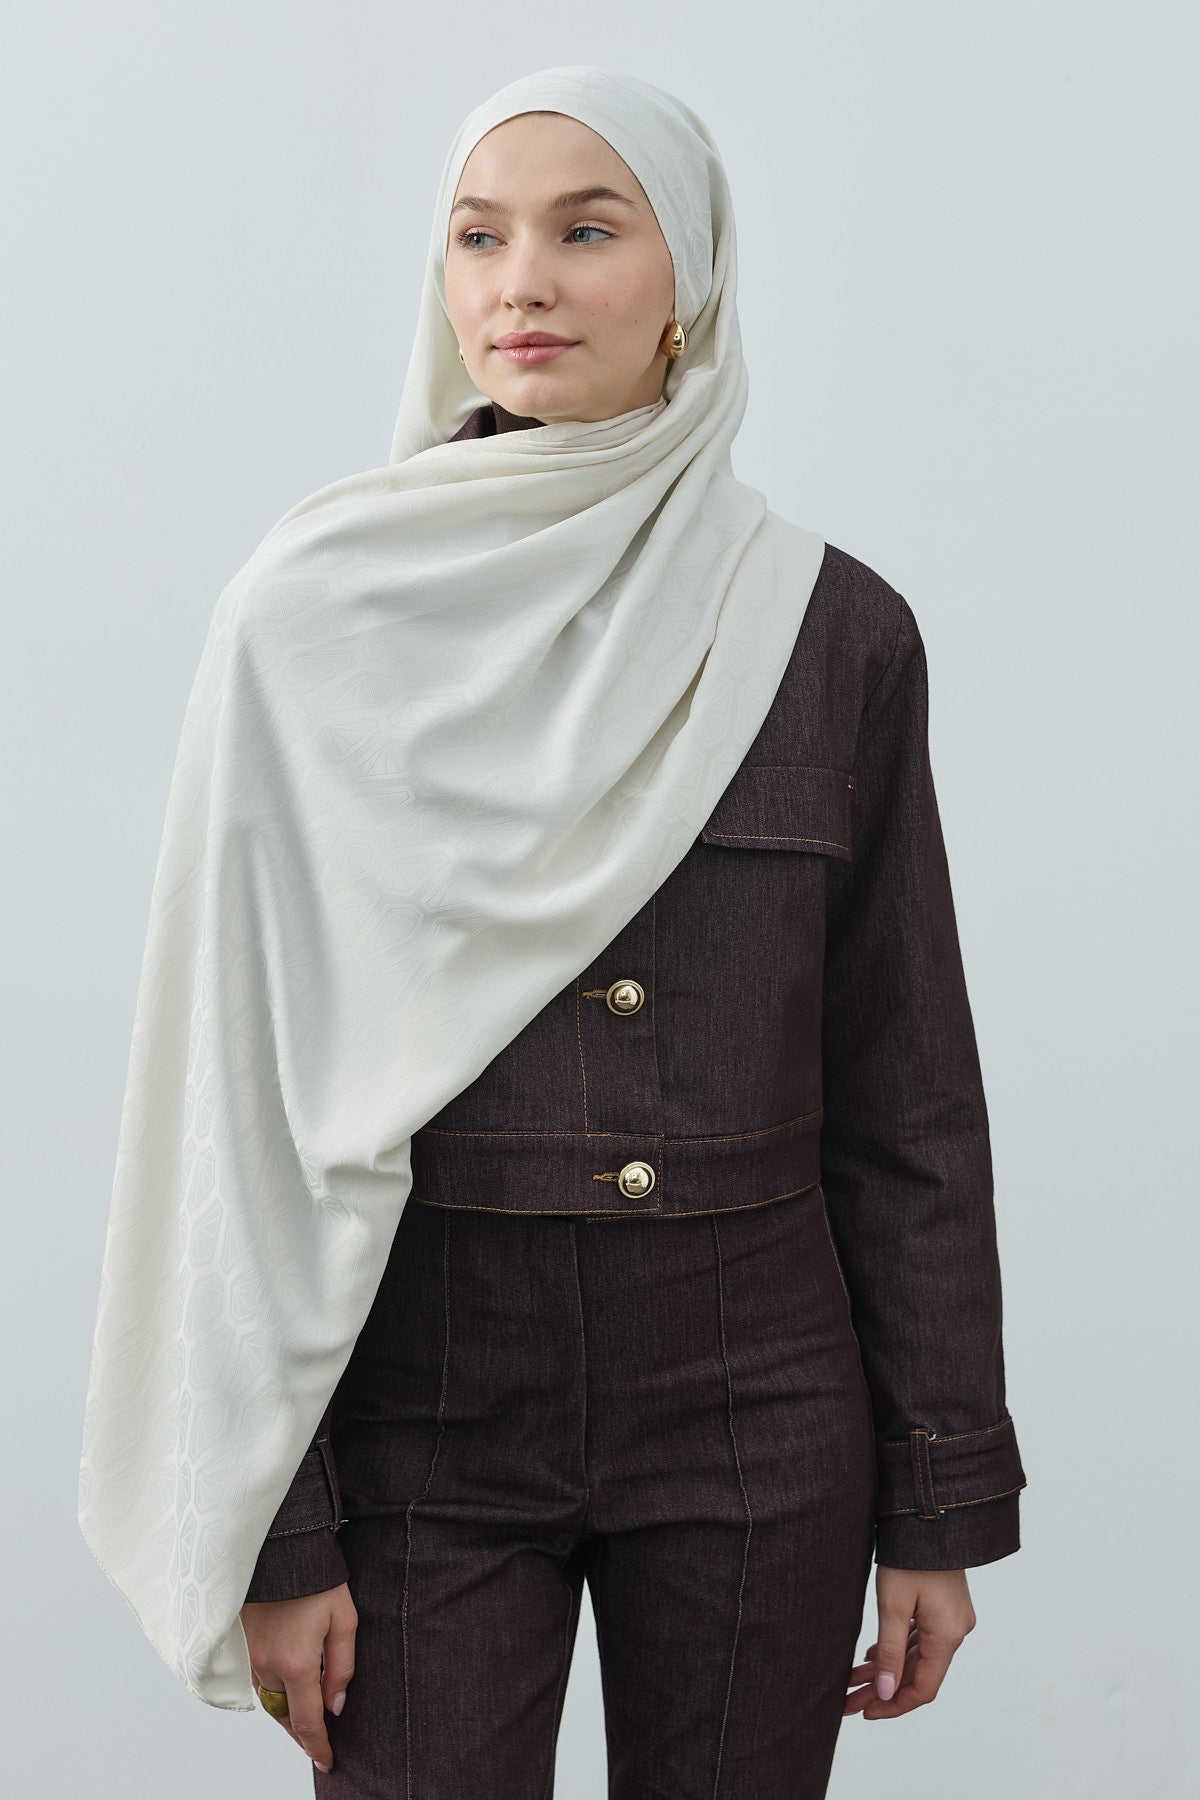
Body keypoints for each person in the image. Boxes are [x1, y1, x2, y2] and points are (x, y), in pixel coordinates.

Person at [79, 65, 1026, 1800]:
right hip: (416, 1412)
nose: (522, 281)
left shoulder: (829, 632)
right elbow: (233, 1098)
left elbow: (910, 1104)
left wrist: (939, 1497)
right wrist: (279, 1526)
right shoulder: (314, 621)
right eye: (477, 236)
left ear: (692, 284)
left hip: (759, 1402)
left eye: (588, 231)